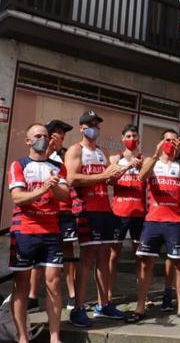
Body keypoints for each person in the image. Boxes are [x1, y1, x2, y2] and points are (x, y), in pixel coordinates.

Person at [127, 129, 180, 323]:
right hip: (152, 221)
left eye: (175, 141)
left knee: (179, 264)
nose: (171, 144)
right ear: (161, 142)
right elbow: (141, 176)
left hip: (175, 221)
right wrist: (156, 153)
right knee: (146, 264)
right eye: (167, 140)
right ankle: (140, 307)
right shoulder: (154, 162)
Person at [8, 123, 69, 343]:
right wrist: (43, 188)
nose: (42, 139)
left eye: (45, 135)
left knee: (53, 282)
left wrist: (53, 187)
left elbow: (64, 196)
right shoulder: (19, 165)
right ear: (28, 140)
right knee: (21, 284)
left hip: (51, 231)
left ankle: (55, 337)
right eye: (37, 136)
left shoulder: (57, 166)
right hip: (25, 231)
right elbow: (17, 198)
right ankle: (22, 337)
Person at [65, 111, 127, 326]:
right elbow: (72, 178)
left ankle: (104, 304)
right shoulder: (75, 150)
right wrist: (103, 176)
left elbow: (107, 181)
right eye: (90, 124)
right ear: (81, 127)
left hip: (104, 209)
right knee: (87, 258)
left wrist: (115, 176)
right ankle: (78, 307)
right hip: (86, 210)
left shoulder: (103, 151)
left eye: (97, 125)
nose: (95, 128)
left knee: (104, 257)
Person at [27, 119, 75, 311]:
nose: (59, 137)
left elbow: (69, 180)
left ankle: (72, 294)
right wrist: (48, 151)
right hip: (42, 212)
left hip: (65, 211)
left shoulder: (66, 155)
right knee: (37, 255)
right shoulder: (39, 154)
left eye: (62, 134)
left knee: (68, 253)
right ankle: (32, 295)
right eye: (54, 133)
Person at [108, 124, 145, 305]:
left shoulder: (144, 160)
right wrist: (129, 165)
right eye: (128, 136)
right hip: (119, 212)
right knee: (113, 256)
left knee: (141, 256)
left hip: (139, 212)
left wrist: (140, 166)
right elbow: (109, 179)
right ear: (123, 139)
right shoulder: (116, 158)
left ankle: (142, 296)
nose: (132, 139)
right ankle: (107, 295)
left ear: (139, 139)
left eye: (134, 136)